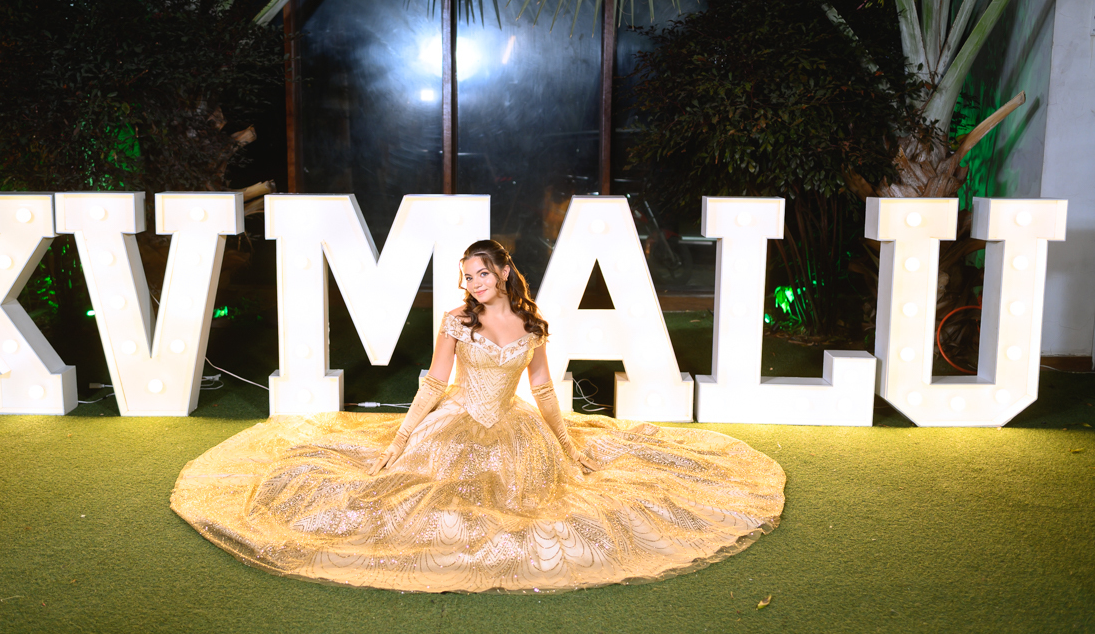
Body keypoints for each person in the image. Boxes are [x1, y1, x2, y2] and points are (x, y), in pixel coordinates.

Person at [171, 240, 785, 593]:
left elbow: (543, 390)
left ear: (504, 272)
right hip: (455, 421)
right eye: (467, 276)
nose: (474, 283)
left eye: (482, 273)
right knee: (419, 495)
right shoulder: (456, 321)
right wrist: (402, 437)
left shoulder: (532, 323)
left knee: (531, 496)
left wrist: (567, 446)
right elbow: (435, 382)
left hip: (516, 428)